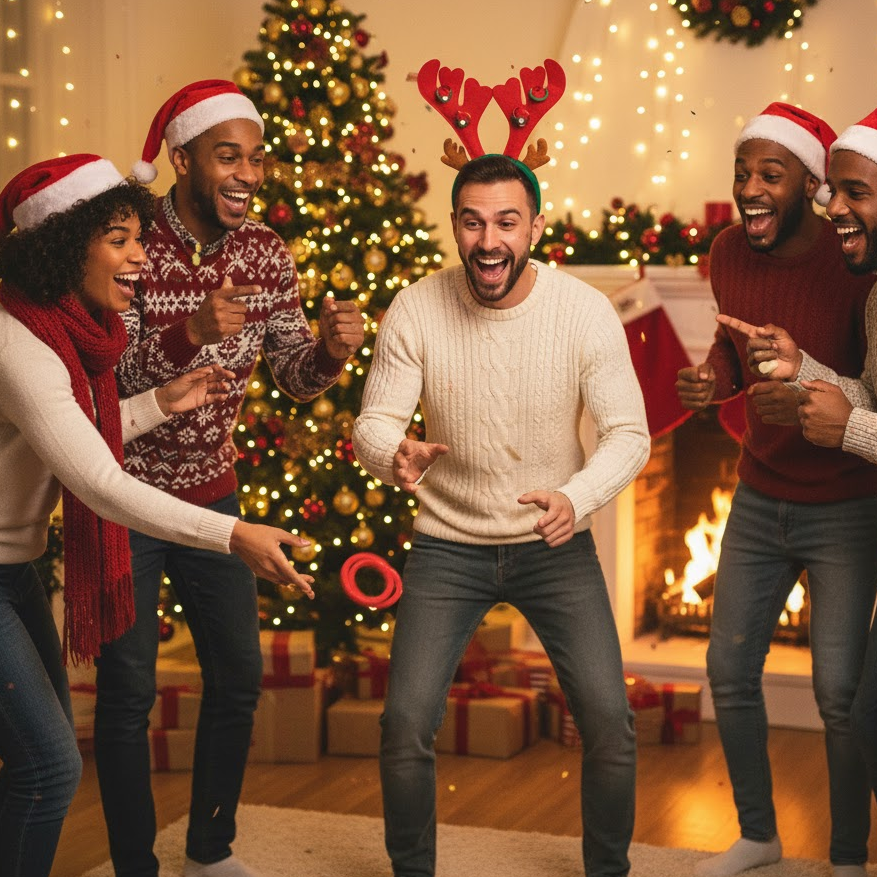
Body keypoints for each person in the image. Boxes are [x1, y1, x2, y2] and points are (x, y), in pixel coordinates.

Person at [0, 154, 315, 877]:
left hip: (16, 570)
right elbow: (100, 483)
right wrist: (232, 533)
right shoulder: (21, 345)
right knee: (49, 770)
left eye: (140, 237)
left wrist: (156, 404)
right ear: (63, 242)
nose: (142, 254)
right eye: (120, 238)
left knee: (28, 763)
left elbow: (77, 429)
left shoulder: (64, 326)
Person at [352, 151, 650, 877]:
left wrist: (573, 498)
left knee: (609, 722)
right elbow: (372, 423)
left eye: (507, 222)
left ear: (535, 227)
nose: (490, 240)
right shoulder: (416, 305)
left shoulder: (583, 310)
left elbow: (628, 434)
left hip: (555, 544)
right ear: (455, 225)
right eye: (474, 221)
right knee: (402, 724)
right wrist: (393, 452)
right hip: (446, 545)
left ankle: (607, 869)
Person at [93, 80, 364, 877]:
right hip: (125, 493)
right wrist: (190, 333)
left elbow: (292, 374)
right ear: (181, 160)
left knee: (239, 675)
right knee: (128, 690)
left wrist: (329, 354)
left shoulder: (265, 252)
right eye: (227, 156)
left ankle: (209, 850)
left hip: (215, 491)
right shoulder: (129, 239)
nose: (248, 173)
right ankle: (133, 864)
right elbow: (103, 376)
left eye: (255, 157)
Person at [674, 103, 877, 877]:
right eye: (741, 172)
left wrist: (803, 396)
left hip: (847, 503)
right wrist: (713, 381)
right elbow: (735, 348)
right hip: (760, 495)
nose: (749, 188)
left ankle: (848, 857)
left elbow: (864, 387)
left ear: (811, 182)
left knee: (838, 692)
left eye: (769, 173)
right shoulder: (727, 250)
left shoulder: (853, 256)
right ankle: (757, 834)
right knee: (727, 670)